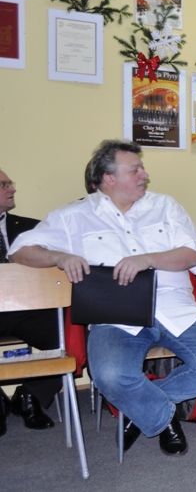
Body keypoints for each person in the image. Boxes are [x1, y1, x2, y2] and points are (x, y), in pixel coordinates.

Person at [9, 140, 196, 456]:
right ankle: (163, 417)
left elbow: (191, 256)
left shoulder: (165, 206)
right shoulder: (73, 215)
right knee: (110, 376)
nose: (145, 175)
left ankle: (141, 411)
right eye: (135, 170)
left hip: (176, 307)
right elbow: (20, 250)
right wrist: (60, 257)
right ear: (109, 178)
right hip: (114, 316)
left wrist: (148, 259)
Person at [0, 169, 60, 437]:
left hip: (30, 310)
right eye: (4, 185)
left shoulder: (33, 229)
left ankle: (30, 395)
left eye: (10, 183)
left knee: (72, 335)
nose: (12, 189)